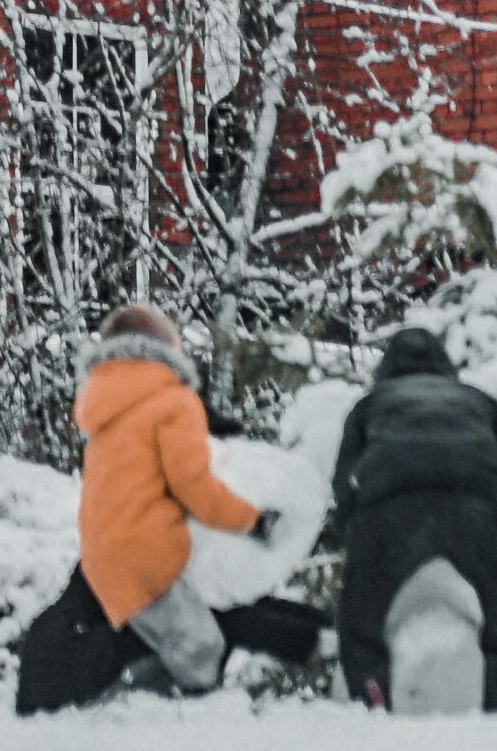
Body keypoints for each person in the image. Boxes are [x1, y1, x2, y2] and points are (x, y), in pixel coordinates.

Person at [16, 299, 306, 714]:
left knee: (172, 642)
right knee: (201, 647)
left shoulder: (106, 407)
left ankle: (144, 708)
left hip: (102, 558)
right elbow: (195, 488)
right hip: (147, 558)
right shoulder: (174, 401)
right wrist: (252, 520)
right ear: (168, 348)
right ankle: (176, 726)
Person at [328, 320, 497, 713]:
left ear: (386, 368)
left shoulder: (371, 403)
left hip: (390, 510)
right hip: (474, 506)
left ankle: (372, 706)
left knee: (360, 626)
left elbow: (345, 479)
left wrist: (349, 527)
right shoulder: (478, 401)